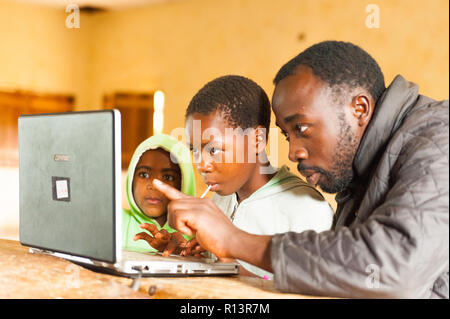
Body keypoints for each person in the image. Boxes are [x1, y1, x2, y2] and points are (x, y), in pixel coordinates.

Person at [154, 41, 449, 298]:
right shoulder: (359, 177)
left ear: (359, 108)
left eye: (302, 128)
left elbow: (392, 269)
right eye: (287, 135)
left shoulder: (438, 139)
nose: (293, 151)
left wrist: (232, 240)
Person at [184, 75, 334, 278]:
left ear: (256, 140)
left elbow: (318, 289)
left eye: (213, 149)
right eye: (194, 150)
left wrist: (229, 265)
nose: (201, 164)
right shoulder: (221, 197)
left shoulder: (307, 210)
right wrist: (185, 253)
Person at [122, 134, 196, 255]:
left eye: (168, 177)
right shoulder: (114, 221)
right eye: (144, 175)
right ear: (131, 179)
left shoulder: (197, 234)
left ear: (184, 184)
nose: (154, 185)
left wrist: (187, 253)